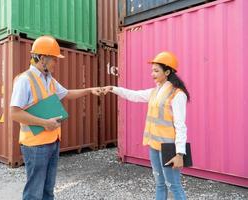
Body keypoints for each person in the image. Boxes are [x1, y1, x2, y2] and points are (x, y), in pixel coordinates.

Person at [10, 35, 101, 200]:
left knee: (48, 192)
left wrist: (90, 90)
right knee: (33, 194)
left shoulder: (49, 80)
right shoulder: (24, 80)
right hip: (35, 146)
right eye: (54, 59)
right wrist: (44, 123)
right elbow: (14, 113)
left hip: (53, 143)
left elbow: (67, 94)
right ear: (42, 59)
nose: (56, 63)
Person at [102, 51, 190, 200]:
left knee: (174, 185)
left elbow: (181, 126)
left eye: (156, 70)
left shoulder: (178, 94)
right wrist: (113, 89)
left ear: (167, 72)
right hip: (154, 146)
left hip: (169, 148)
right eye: (152, 70)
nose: (152, 74)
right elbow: (134, 95)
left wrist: (180, 154)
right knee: (160, 184)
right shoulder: (155, 92)